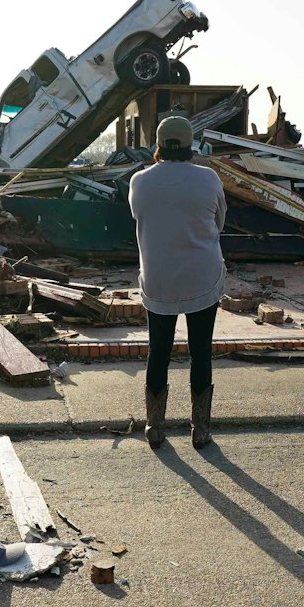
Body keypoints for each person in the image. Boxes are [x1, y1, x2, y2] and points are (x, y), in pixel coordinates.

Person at [127, 114, 228, 448]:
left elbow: (139, 216)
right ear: (189, 145)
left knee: (158, 352)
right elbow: (219, 222)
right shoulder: (208, 178)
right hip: (202, 276)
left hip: (159, 280)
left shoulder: (139, 181)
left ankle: (155, 427)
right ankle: (200, 429)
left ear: (158, 145)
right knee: (201, 353)